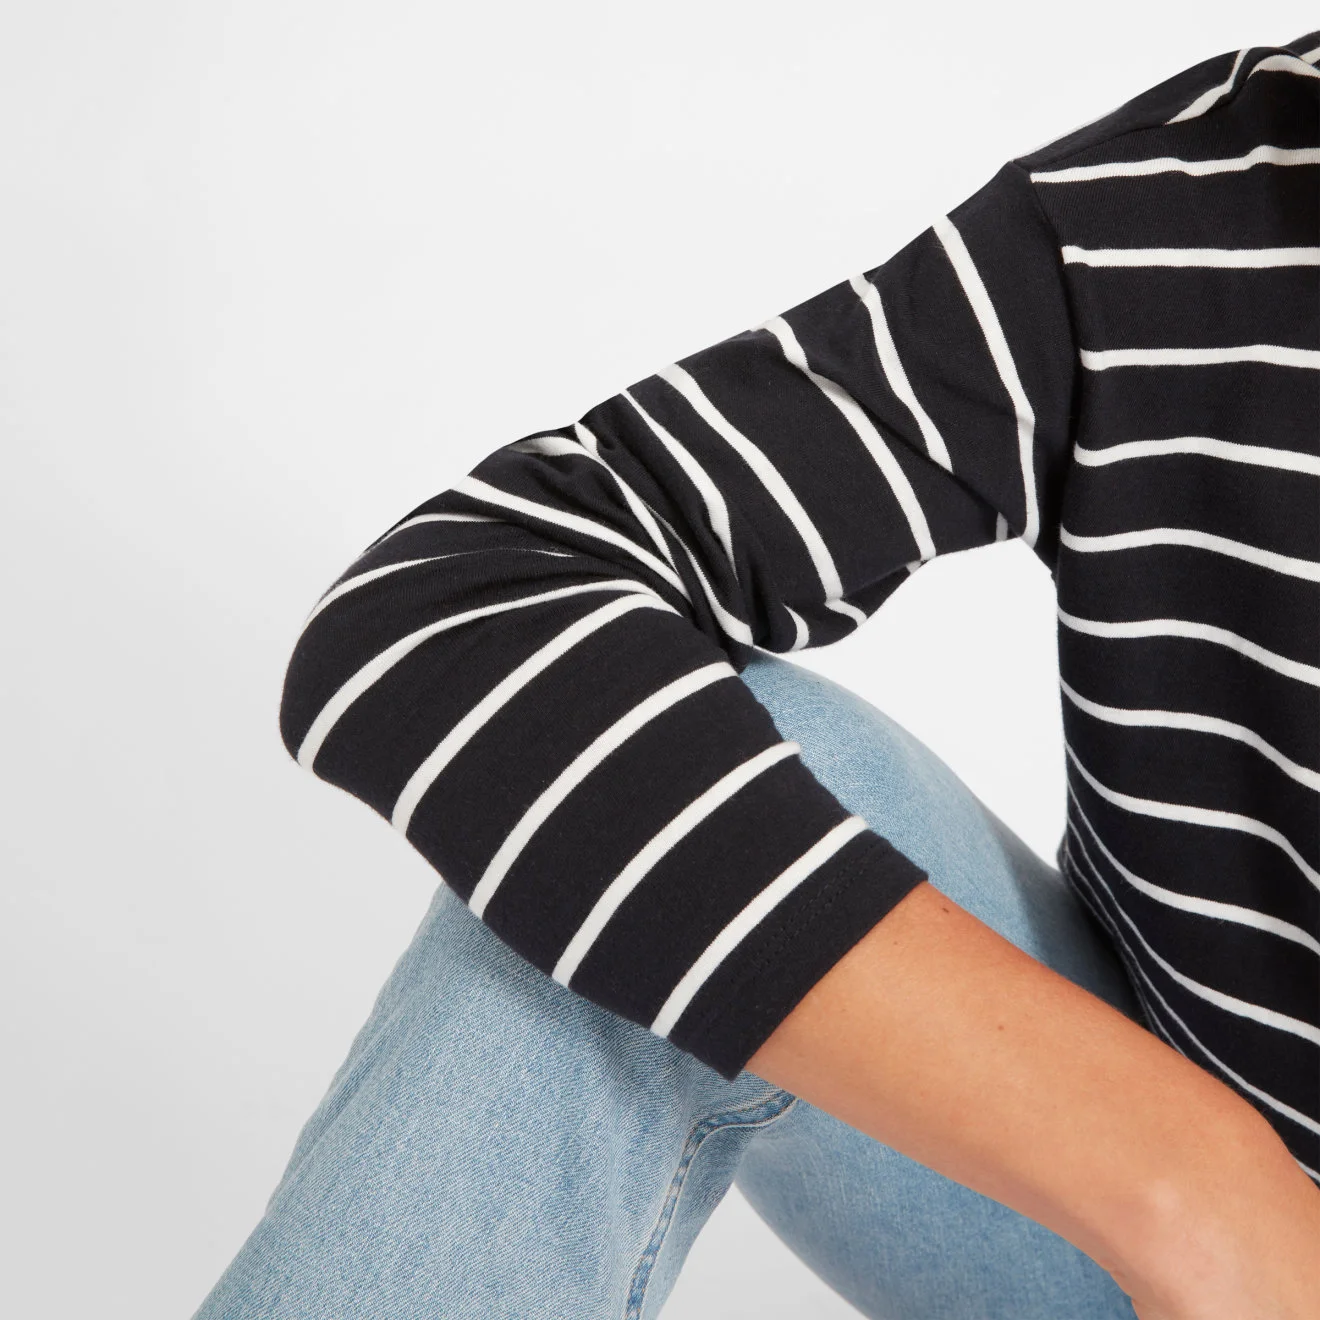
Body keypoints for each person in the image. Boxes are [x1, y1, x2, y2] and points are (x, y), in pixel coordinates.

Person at [194, 30, 1320, 1319]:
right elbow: (455, 599)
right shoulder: (1167, 220)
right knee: (641, 807)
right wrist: (1195, 1190)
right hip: (1209, 1265)